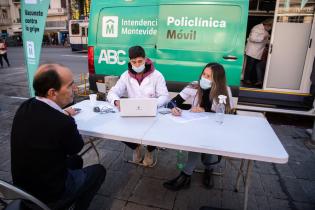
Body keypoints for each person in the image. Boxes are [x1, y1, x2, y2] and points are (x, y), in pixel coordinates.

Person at [11, 63, 106, 210]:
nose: (74, 89)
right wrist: (67, 118)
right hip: (50, 195)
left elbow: (47, 120)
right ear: (52, 92)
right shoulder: (63, 122)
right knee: (99, 171)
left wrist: (65, 113)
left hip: (23, 189)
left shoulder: (26, 106)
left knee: (76, 160)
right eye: (70, 85)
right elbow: (77, 146)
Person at [163, 63, 235, 191]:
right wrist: (174, 108)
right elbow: (173, 102)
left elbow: (229, 114)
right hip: (195, 125)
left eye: (209, 77)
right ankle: (188, 174)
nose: (204, 78)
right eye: (204, 74)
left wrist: (206, 109)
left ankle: (205, 170)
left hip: (215, 128)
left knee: (207, 139)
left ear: (217, 80)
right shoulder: (194, 85)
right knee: (197, 140)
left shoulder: (224, 90)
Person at [107, 46, 169, 166]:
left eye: (140, 61)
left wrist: (153, 104)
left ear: (145, 59)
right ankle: (136, 147)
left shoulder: (157, 75)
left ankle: (150, 152)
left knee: (158, 130)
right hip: (132, 112)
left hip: (152, 112)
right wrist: (116, 101)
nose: (137, 64)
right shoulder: (126, 75)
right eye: (133, 62)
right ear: (130, 61)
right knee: (116, 131)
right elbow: (112, 92)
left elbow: (164, 96)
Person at [243, 18, 273, 85]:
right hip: (252, 51)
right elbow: (252, 38)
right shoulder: (257, 28)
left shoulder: (265, 30)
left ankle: (253, 80)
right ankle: (246, 80)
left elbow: (266, 39)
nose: (270, 29)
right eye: (271, 27)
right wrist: (263, 38)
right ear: (268, 25)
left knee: (254, 67)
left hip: (258, 51)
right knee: (249, 67)